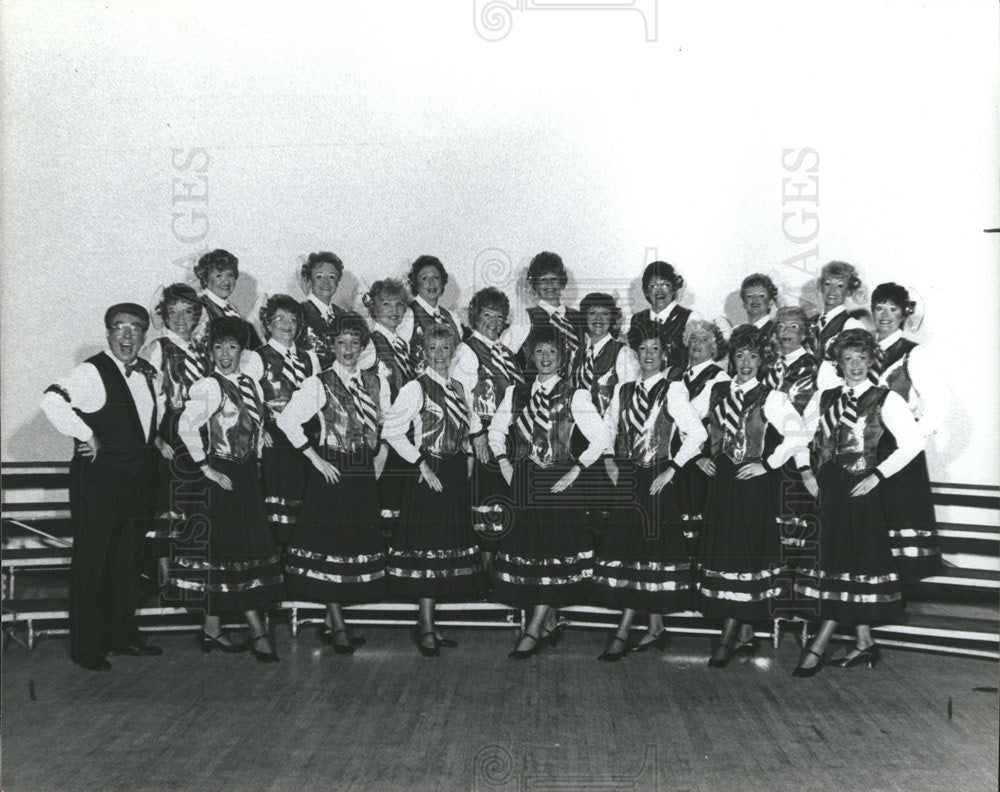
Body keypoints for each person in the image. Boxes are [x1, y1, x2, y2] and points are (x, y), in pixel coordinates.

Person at [792, 329, 923, 676]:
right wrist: (805, 472)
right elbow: (799, 437)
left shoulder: (885, 398)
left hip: (861, 489)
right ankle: (864, 642)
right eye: (848, 358)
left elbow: (913, 444)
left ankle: (818, 644)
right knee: (839, 565)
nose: (855, 366)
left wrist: (878, 475)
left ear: (871, 361)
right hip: (828, 490)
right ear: (838, 362)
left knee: (851, 564)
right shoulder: (824, 396)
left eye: (861, 358)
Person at [42, 303, 163, 670]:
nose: (127, 336)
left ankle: (121, 636)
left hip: (136, 483)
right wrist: (85, 433)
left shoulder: (148, 373)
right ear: (108, 332)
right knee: (93, 563)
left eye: (135, 329)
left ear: (144, 334)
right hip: (99, 482)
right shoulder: (91, 371)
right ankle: (85, 646)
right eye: (119, 328)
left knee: (126, 562)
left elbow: (143, 424)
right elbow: (51, 400)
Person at [488, 326, 610, 659]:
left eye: (552, 353)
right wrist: (505, 464)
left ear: (563, 359)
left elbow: (601, 438)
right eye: (539, 351)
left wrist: (576, 470)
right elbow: (495, 433)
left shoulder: (576, 394)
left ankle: (533, 628)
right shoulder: (516, 392)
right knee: (533, 553)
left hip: (559, 482)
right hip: (526, 480)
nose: (545, 358)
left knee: (550, 552)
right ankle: (550, 621)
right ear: (530, 355)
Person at [590, 325, 707, 660]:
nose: (649, 355)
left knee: (647, 552)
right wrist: (609, 458)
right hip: (628, 478)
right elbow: (609, 427)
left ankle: (622, 631)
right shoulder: (624, 390)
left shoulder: (674, 390)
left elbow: (696, 434)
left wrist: (673, 468)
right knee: (634, 553)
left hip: (656, 479)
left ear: (664, 355)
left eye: (655, 349)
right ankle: (655, 628)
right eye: (642, 350)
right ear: (635, 355)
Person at [277, 313, 390, 653]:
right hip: (335, 468)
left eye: (354, 343)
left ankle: (332, 622)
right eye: (341, 343)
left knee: (350, 546)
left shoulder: (376, 380)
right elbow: (287, 421)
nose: (348, 349)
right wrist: (316, 458)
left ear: (362, 346)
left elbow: (383, 421)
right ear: (331, 346)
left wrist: (380, 449)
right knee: (332, 546)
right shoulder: (319, 382)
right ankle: (337, 624)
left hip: (361, 470)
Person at [174, 317, 284, 662]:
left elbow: (251, 421)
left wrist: (260, 437)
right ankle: (257, 631)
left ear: (243, 350)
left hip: (248, 477)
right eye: (218, 347)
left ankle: (211, 628)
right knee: (232, 554)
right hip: (223, 479)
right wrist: (206, 467)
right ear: (210, 350)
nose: (224, 354)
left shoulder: (252, 384)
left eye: (232, 346)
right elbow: (185, 425)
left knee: (235, 554)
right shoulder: (208, 386)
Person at [696, 325, 806, 668]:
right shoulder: (715, 391)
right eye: (740, 355)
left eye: (753, 356)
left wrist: (768, 464)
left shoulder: (771, 397)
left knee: (742, 559)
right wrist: (699, 455)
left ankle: (727, 639)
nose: (745, 362)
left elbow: (797, 433)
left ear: (763, 361)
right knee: (727, 557)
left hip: (750, 486)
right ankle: (744, 634)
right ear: (731, 358)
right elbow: (685, 421)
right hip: (721, 486)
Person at [381, 323, 489, 656]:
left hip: (454, 473)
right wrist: (421, 464)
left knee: (444, 547)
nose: (439, 355)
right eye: (432, 349)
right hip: (429, 475)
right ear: (423, 352)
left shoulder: (458, 386)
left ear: (454, 351)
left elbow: (469, 428)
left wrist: (470, 457)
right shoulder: (416, 388)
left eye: (445, 349)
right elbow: (392, 431)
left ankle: (431, 623)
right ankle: (424, 625)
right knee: (427, 547)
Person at [870, 283, 945, 581]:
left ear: (904, 313)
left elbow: (939, 400)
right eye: (879, 307)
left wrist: (914, 435)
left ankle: (905, 589)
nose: (885, 315)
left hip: (898, 449)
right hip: (868, 447)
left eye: (892, 308)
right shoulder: (864, 351)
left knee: (900, 518)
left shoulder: (913, 354)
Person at [452, 287, 525, 577]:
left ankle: (502, 577)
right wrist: (477, 435)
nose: (494, 323)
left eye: (500, 317)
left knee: (504, 506)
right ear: (474, 316)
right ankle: (485, 580)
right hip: (484, 440)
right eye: (487, 316)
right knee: (487, 509)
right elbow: (460, 396)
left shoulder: (505, 353)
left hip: (507, 441)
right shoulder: (467, 350)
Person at [242, 295, 320, 550]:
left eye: (293, 319)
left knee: (307, 502)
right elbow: (246, 398)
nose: (287, 324)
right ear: (268, 323)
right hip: (277, 437)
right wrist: (260, 427)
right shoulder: (258, 357)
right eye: (280, 318)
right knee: (280, 505)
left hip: (309, 435)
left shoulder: (311, 358)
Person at [140, 284, 207, 586]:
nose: (181, 318)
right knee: (168, 502)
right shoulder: (158, 348)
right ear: (164, 315)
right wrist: (155, 438)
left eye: (188, 312)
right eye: (174, 312)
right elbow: (145, 398)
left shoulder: (202, 349)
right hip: (172, 431)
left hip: (200, 431)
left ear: (197, 316)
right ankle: (164, 574)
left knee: (194, 502)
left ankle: (189, 574)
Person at [763, 306, 820, 587]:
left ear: (806, 332)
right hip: (766, 454)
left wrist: (805, 468)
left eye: (794, 327)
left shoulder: (814, 367)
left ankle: (792, 606)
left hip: (795, 460)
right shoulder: (766, 366)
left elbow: (805, 425)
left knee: (792, 533)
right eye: (782, 327)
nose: (787, 333)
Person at [363, 278, 418, 542]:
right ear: (374, 308)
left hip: (405, 435)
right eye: (386, 304)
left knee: (401, 507)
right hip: (384, 438)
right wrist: (380, 442)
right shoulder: (370, 343)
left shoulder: (402, 346)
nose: (394, 310)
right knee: (383, 506)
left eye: (399, 304)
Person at [672, 320, 729, 551]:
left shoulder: (720, 379)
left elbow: (691, 420)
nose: (698, 343)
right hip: (673, 457)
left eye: (705, 340)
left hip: (699, 461)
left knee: (694, 529)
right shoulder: (674, 374)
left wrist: (696, 456)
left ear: (714, 348)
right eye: (694, 338)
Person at [502, 251, 584, 380]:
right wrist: (520, 387)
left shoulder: (578, 318)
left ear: (563, 282)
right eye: (543, 280)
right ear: (534, 285)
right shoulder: (527, 318)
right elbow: (502, 353)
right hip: (539, 395)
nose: (549, 285)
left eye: (554, 279)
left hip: (575, 393)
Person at [401, 255, 465, 374]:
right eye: (424, 278)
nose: (431, 283)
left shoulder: (452, 317)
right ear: (415, 283)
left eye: (436, 277)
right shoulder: (408, 315)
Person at [811, 261, 866, 390]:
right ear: (820, 286)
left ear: (848, 292)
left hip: (835, 394)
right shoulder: (812, 322)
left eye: (840, 286)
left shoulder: (852, 325)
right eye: (828, 284)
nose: (832, 291)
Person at [193, 248, 262, 350]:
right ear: (205, 279)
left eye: (230, 275)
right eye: (218, 276)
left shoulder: (230, 308)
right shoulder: (200, 306)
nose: (226, 282)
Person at [628, 261, 691, 371]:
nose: (660, 290)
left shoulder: (690, 318)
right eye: (654, 286)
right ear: (646, 291)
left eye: (665, 285)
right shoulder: (637, 319)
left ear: (674, 287)